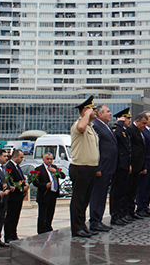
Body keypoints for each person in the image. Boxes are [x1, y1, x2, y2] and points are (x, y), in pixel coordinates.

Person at [69, 95, 100, 238]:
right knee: (78, 200)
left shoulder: (91, 127)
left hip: (90, 168)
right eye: (92, 109)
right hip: (80, 167)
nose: (95, 111)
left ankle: (82, 226)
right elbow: (81, 127)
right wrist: (86, 114)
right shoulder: (78, 125)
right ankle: (76, 229)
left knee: (85, 200)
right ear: (85, 111)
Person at [88, 104, 117, 232]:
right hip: (102, 167)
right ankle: (94, 221)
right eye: (108, 111)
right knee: (98, 195)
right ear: (100, 114)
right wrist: (98, 167)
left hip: (109, 166)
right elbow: (96, 148)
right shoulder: (96, 126)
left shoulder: (105, 126)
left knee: (103, 194)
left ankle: (98, 219)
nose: (110, 114)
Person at [109, 108, 132, 225]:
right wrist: (119, 123)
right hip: (118, 165)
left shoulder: (125, 131)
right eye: (127, 118)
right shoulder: (116, 128)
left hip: (125, 164)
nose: (129, 121)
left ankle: (121, 213)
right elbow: (116, 136)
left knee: (123, 191)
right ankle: (115, 215)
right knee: (116, 192)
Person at [33, 152, 64, 234]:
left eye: (51, 159)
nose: (49, 161)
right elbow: (35, 182)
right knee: (43, 214)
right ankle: (41, 230)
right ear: (43, 159)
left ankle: (48, 227)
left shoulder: (54, 167)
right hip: (44, 195)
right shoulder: (39, 169)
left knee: (50, 213)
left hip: (53, 194)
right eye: (47, 159)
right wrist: (45, 185)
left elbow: (63, 175)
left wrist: (55, 171)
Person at [125, 112, 148, 220]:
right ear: (137, 121)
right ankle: (127, 211)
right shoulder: (131, 130)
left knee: (133, 190)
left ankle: (131, 211)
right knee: (129, 189)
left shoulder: (140, 132)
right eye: (143, 123)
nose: (145, 126)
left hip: (138, 165)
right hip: (132, 165)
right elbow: (129, 148)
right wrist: (130, 164)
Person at [4, 149, 28, 243]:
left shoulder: (17, 167)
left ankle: (13, 234)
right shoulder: (9, 166)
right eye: (21, 157)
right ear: (15, 157)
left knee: (16, 216)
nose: (22, 159)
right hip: (13, 197)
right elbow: (11, 181)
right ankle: (8, 236)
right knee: (10, 217)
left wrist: (24, 184)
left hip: (18, 197)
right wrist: (21, 187)